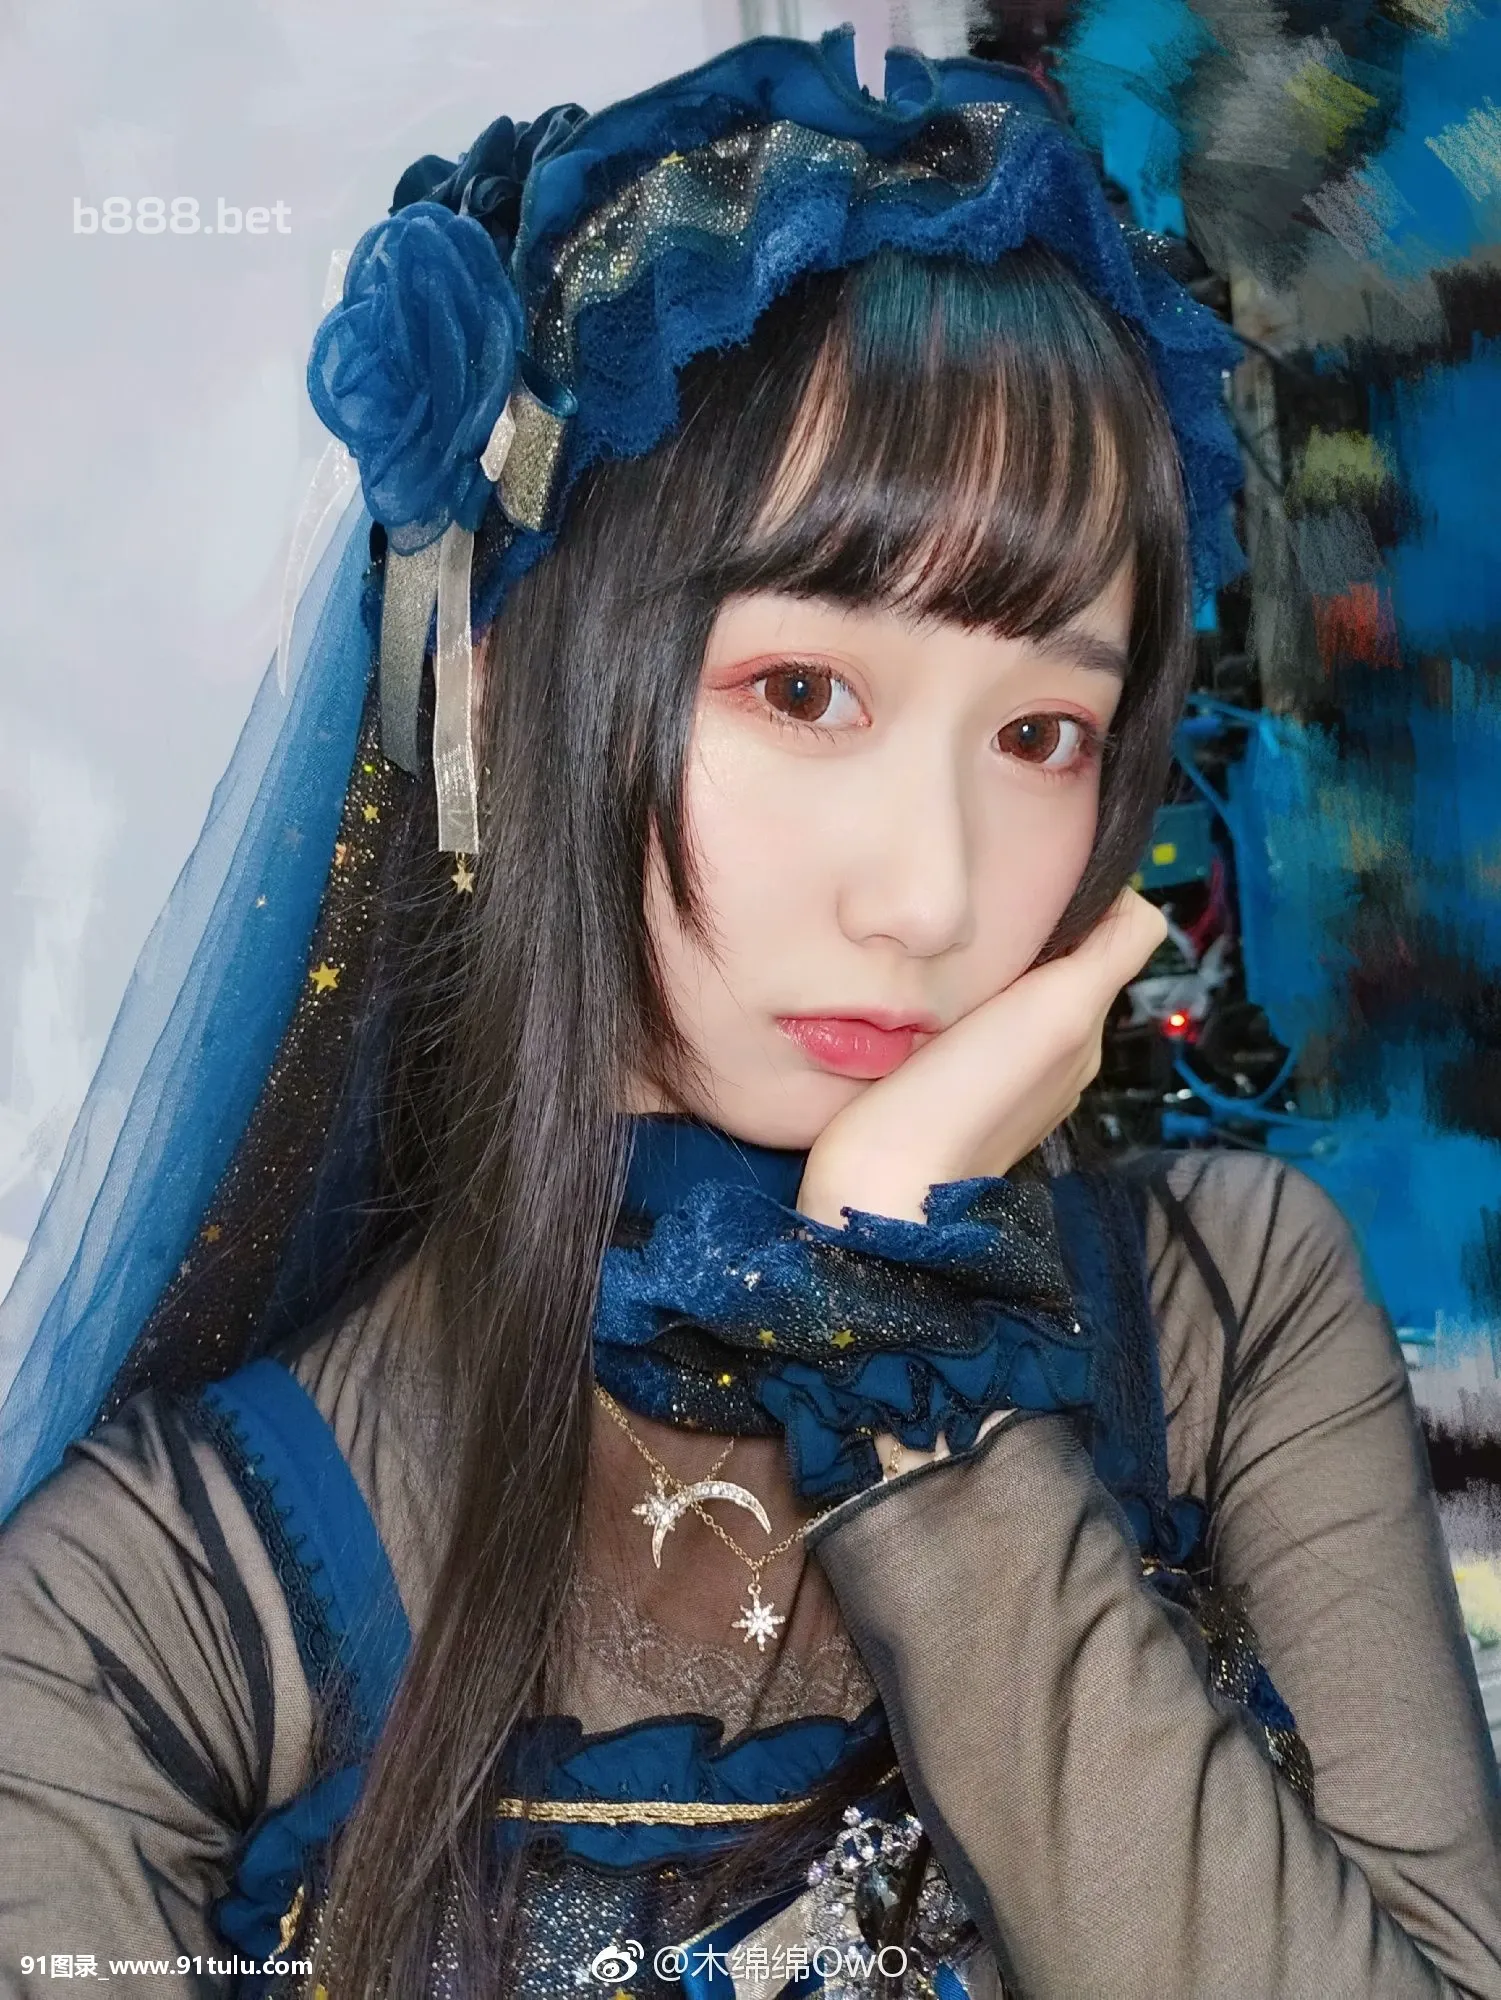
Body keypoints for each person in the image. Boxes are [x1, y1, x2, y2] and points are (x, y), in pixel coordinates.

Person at [1, 28, 1499, 2000]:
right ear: (496, 688)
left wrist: (907, 1361)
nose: (933, 894)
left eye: (1043, 733)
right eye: (804, 693)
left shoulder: (1234, 1318)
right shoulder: (141, 1612)